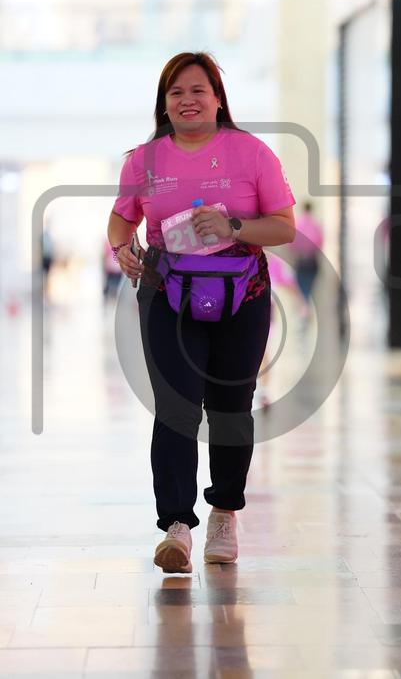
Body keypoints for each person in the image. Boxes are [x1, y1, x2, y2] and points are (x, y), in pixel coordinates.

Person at [107, 51, 296, 573]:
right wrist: (121, 249)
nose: (187, 101)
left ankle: (224, 513)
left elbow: (283, 226)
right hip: (166, 294)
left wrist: (234, 226)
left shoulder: (252, 153)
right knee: (176, 406)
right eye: (176, 93)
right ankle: (176, 526)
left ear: (217, 99)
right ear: (164, 103)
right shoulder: (142, 161)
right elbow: (121, 220)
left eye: (197, 91)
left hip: (243, 295)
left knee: (232, 405)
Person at [290, 201, 323, 320]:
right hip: (312, 261)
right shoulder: (316, 224)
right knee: (308, 288)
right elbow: (319, 243)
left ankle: (303, 312)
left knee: (302, 288)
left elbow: (292, 243)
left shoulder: (298, 224)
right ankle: (306, 311)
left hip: (300, 261)